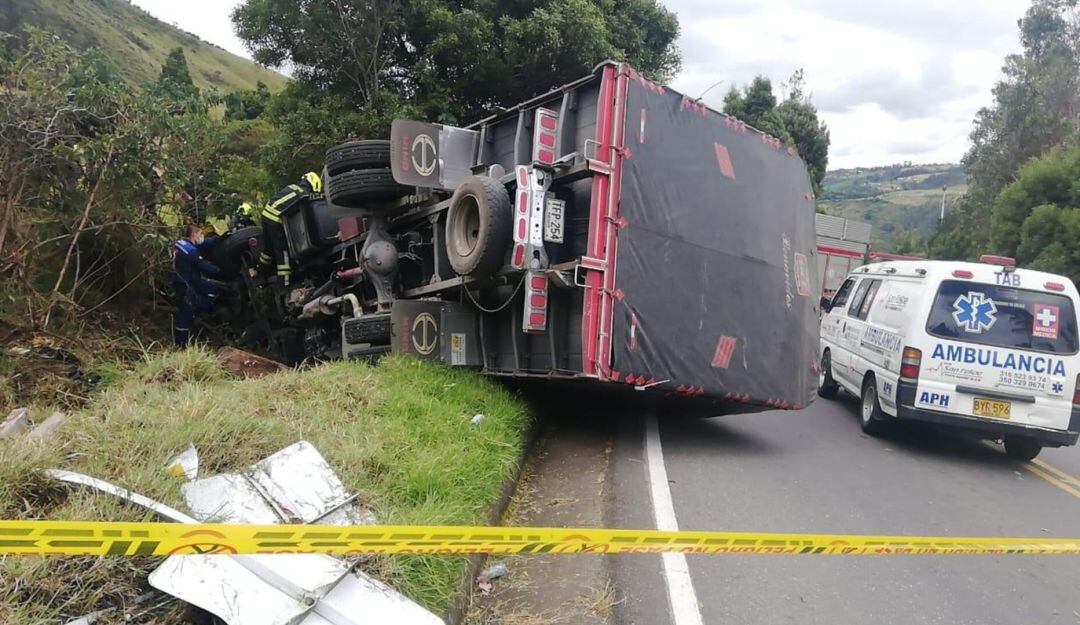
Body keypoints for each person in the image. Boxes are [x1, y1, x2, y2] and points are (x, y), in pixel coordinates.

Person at [260, 172, 322, 284]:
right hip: (275, 220)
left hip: (266, 216)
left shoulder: (293, 187)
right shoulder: (303, 194)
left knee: (268, 249)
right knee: (283, 251)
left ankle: (262, 272)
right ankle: (285, 282)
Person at [172, 224, 222, 347]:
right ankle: (181, 343)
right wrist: (219, 271)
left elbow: (203, 244)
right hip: (186, 282)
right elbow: (204, 266)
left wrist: (219, 238)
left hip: (178, 278)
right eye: (200, 234)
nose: (202, 237)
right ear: (193, 235)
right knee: (187, 310)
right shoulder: (192, 251)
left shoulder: (181, 243)